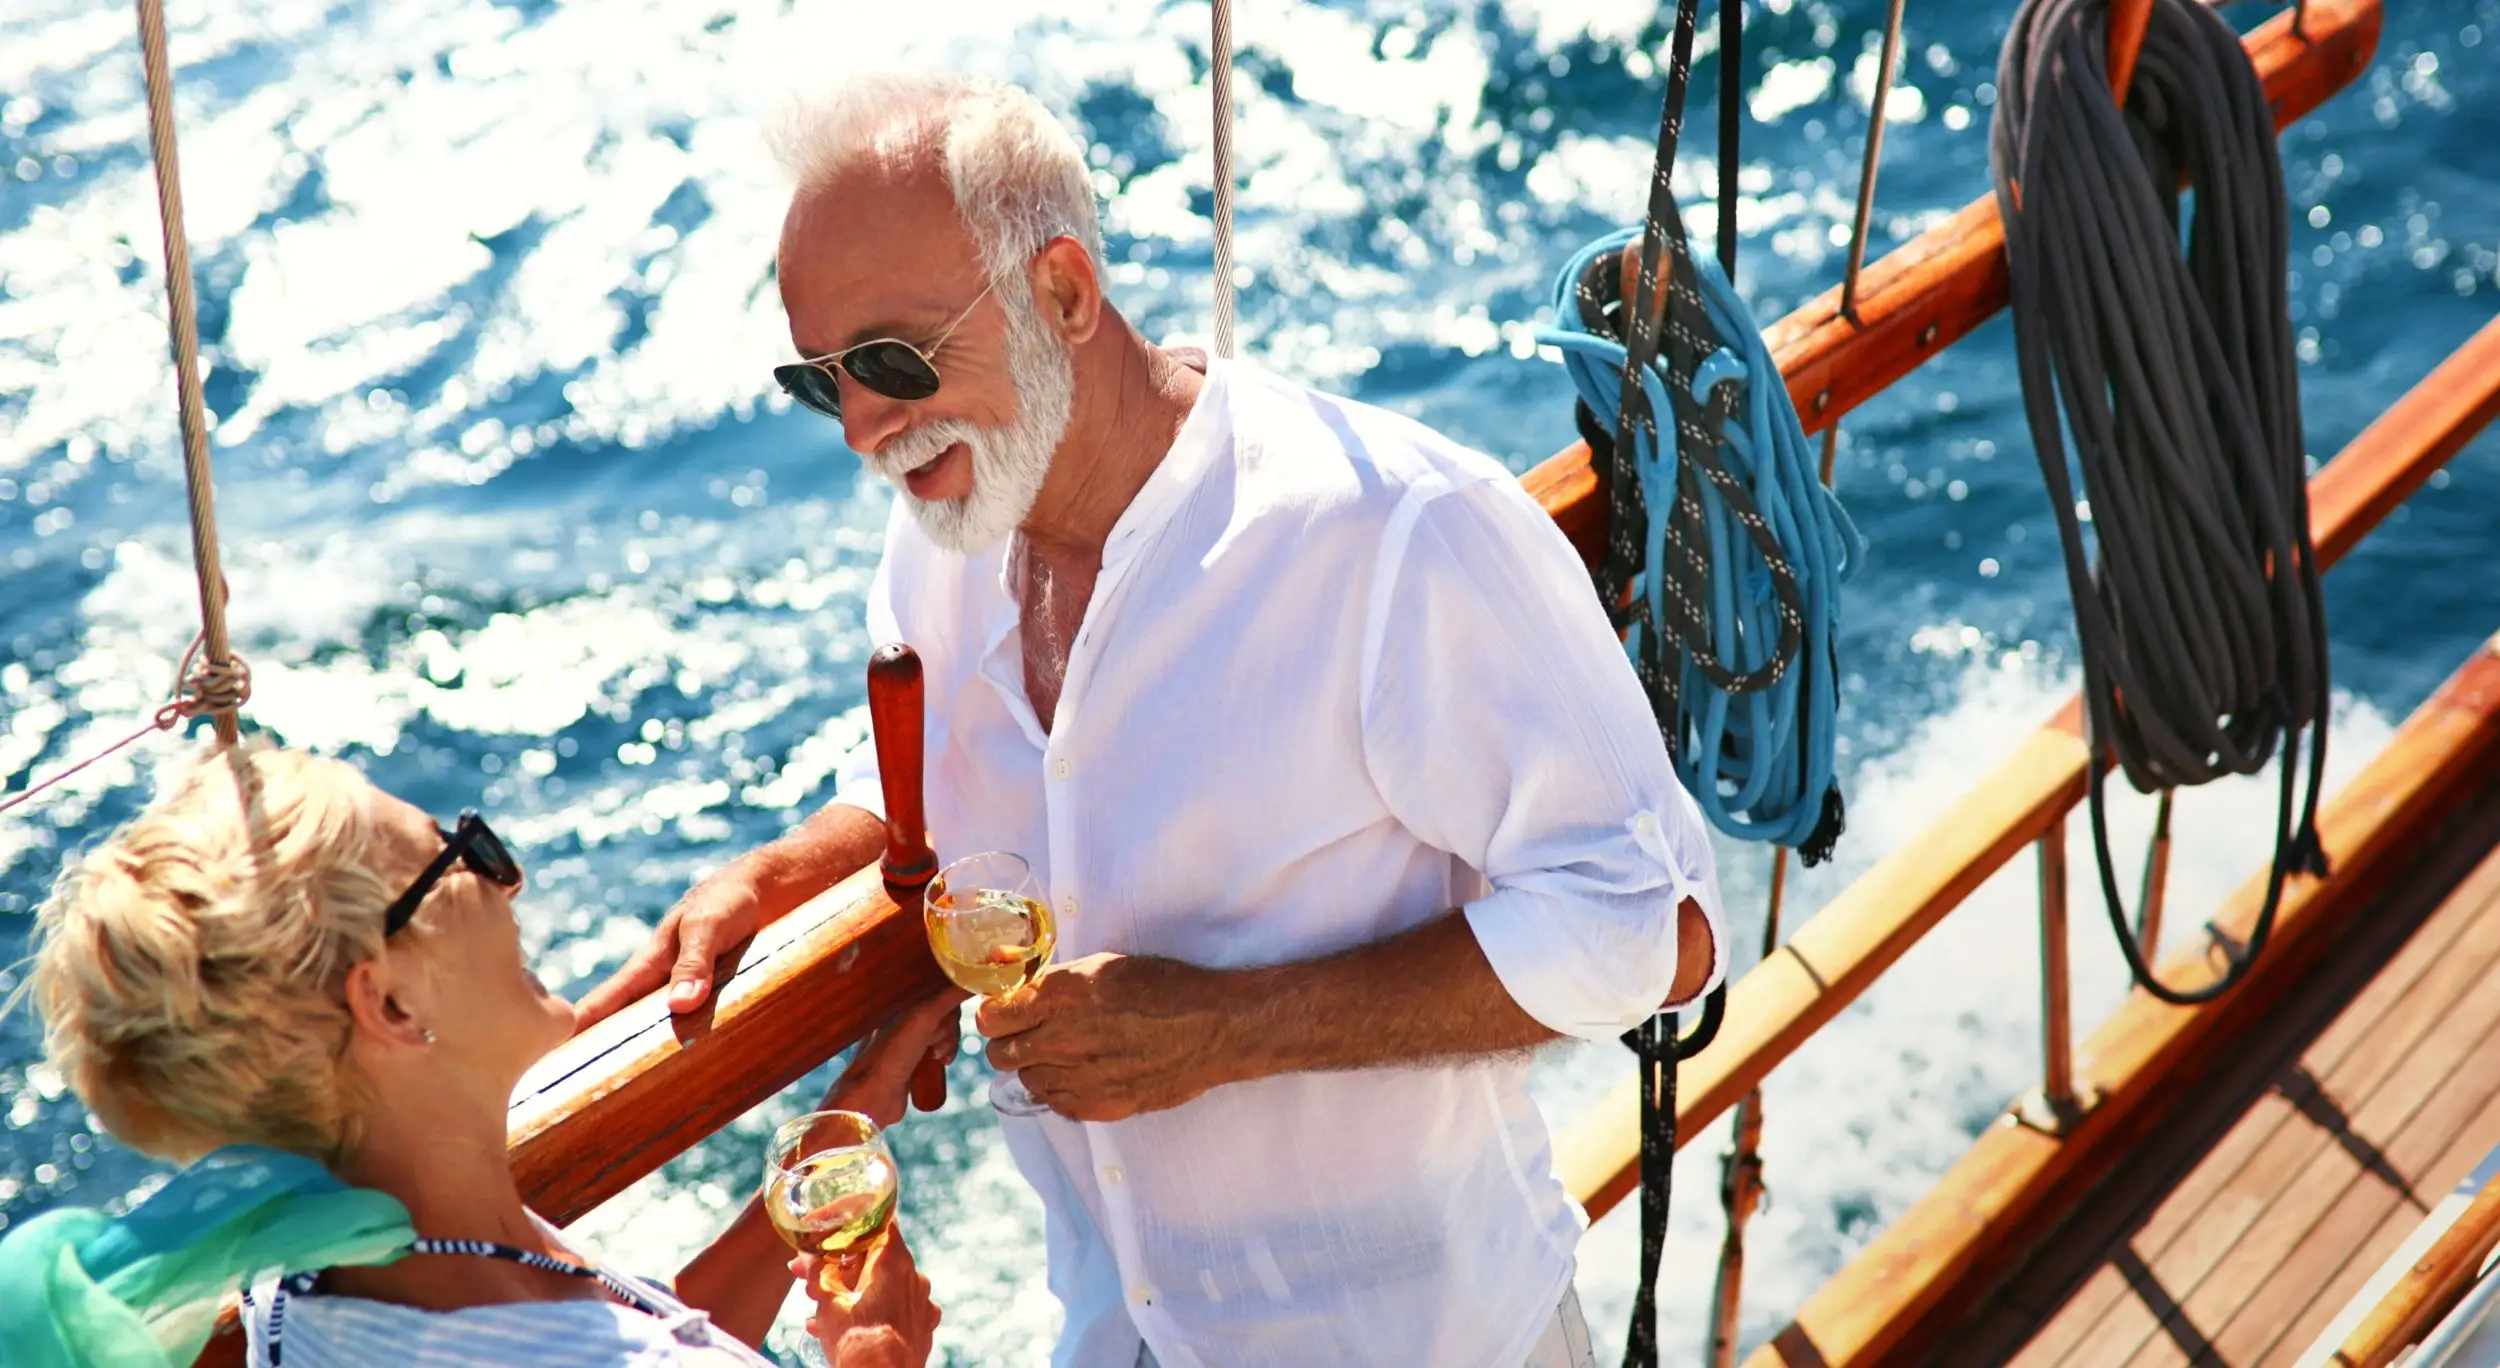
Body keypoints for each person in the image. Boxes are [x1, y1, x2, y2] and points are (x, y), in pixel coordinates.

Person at [579, 71, 1727, 1368]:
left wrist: (1232, 1029)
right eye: (822, 381)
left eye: (892, 361)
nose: (860, 429)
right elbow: (939, 745)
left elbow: (1656, 924)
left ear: (1063, 293)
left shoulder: (1397, 534)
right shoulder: (943, 538)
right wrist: (790, 869)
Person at [0, 741, 959, 1367]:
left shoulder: (319, 1271)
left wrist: (831, 1144)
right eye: (456, 857)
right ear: (387, 998)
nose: (507, 879)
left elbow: (631, 1330)